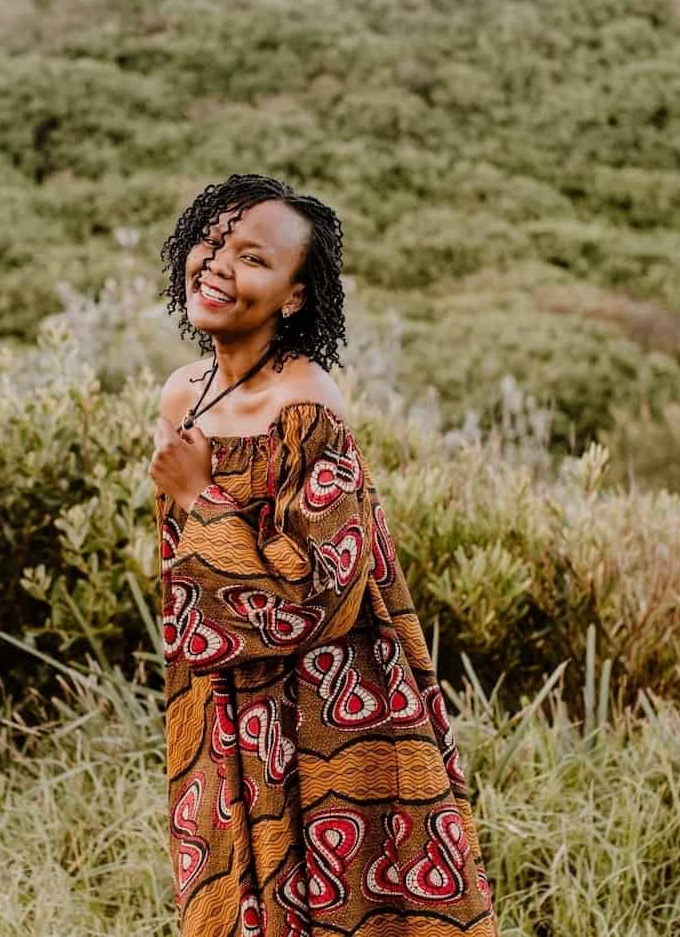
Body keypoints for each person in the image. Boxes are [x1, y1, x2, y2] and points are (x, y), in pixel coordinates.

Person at [149, 174, 499, 936]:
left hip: (332, 712)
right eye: (211, 240)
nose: (215, 264)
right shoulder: (184, 394)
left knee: (342, 908)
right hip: (228, 701)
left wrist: (201, 497)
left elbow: (321, 597)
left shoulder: (308, 409)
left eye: (252, 257)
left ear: (294, 296)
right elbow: (185, 581)